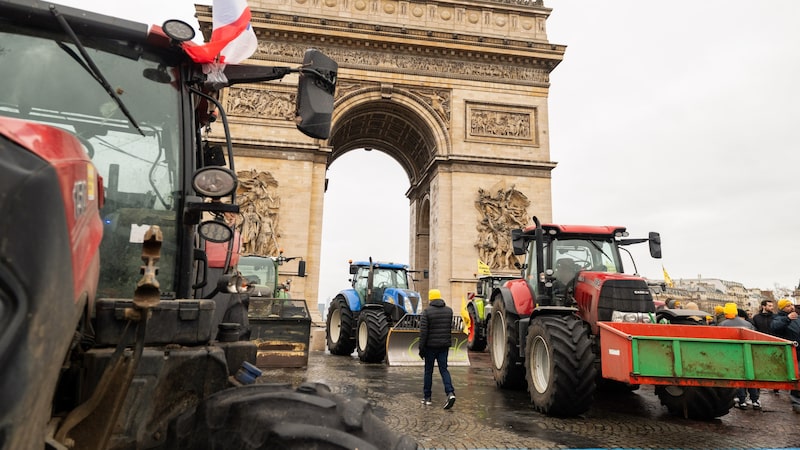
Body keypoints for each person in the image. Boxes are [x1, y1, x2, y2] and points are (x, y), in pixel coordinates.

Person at [419, 288, 456, 409]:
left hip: (430, 347)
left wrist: (421, 349)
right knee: (444, 370)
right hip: (444, 346)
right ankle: (450, 393)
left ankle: (427, 397)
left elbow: (423, 333)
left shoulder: (426, 312)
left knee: (428, 371)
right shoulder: (449, 311)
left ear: (430, 298)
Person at [718, 302, 760, 409]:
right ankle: (755, 400)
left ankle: (742, 400)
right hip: (747, 353)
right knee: (750, 377)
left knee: (739, 377)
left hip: (732, 355)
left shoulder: (723, 324)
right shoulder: (747, 324)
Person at [771, 298, 800, 413]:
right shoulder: (778, 318)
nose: (791, 307)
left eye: (792, 305)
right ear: (782, 308)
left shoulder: (797, 317)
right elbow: (774, 327)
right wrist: (787, 319)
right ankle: (796, 402)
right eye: (788, 306)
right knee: (796, 377)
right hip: (791, 352)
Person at [751, 299, 778, 394]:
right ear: (763, 306)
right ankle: (759, 385)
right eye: (769, 306)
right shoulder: (756, 318)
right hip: (760, 344)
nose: (772, 307)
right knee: (760, 365)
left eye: (772, 305)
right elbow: (754, 330)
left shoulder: (775, 317)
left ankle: (775, 386)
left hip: (774, 343)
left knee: (775, 365)